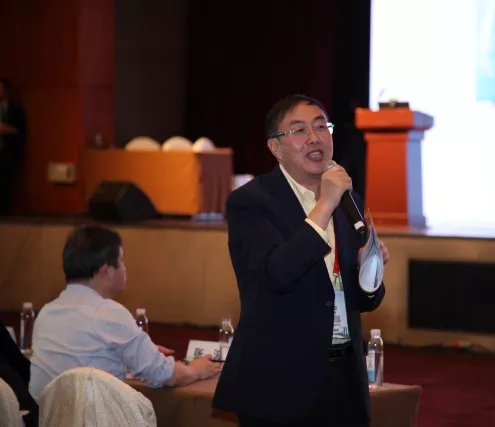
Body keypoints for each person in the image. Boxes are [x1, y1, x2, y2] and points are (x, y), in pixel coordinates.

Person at [212, 94, 389, 427]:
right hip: (279, 382)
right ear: (275, 148)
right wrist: (325, 204)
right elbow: (277, 273)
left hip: (343, 381)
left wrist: (369, 271)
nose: (314, 137)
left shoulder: (349, 200)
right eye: (299, 130)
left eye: (321, 127)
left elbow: (362, 300)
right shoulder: (251, 202)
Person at [29, 225, 221, 402]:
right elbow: (164, 374)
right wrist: (196, 370)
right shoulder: (109, 314)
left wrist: (136, 353)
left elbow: (81, 359)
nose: (125, 267)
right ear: (106, 271)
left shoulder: (46, 313)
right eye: (121, 260)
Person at [0, 78, 27, 216]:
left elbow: (21, 130)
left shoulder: (16, 109)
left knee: (6, 182)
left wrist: (9, 130)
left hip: (8, 151)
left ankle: (6, 212)